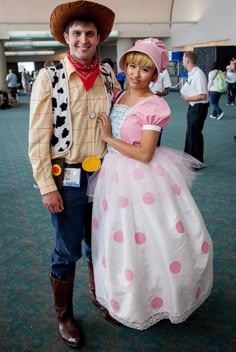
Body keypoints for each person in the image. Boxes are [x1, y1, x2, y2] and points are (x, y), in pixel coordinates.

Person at [90, 38, 213, 330]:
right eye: (131, 66)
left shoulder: (154, 105)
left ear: (155, 75)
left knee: (149, 237)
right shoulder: (118, 97)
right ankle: (126, 295)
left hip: (142, 177)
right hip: (113, 176)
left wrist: (108, 139)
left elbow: (145, 154)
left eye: (144, 70)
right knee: (119, 236)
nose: (135, 73)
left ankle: (158, 296)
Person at [28, 0, 119, 348]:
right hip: (65, 177)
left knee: (101, 244)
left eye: (90, 34)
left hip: (106, 174)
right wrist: (45, 186)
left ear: (98, 38)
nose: (84, 39)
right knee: (67, 250)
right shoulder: (49, 76)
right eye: (77, 33)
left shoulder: (108, 75)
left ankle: (102, 298)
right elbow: (37, 135)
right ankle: (64, 313)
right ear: (67, 38)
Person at [180, 51, 209, 164]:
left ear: (187, 61)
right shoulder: (193, 73)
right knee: (191, 133)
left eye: (183, 59)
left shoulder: (198, 74)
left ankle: (196, 162)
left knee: (194, 134)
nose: (182, 62)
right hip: (194, 107)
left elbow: (203, 95)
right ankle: (189, 159)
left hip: (199, 108)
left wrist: (188, 98)